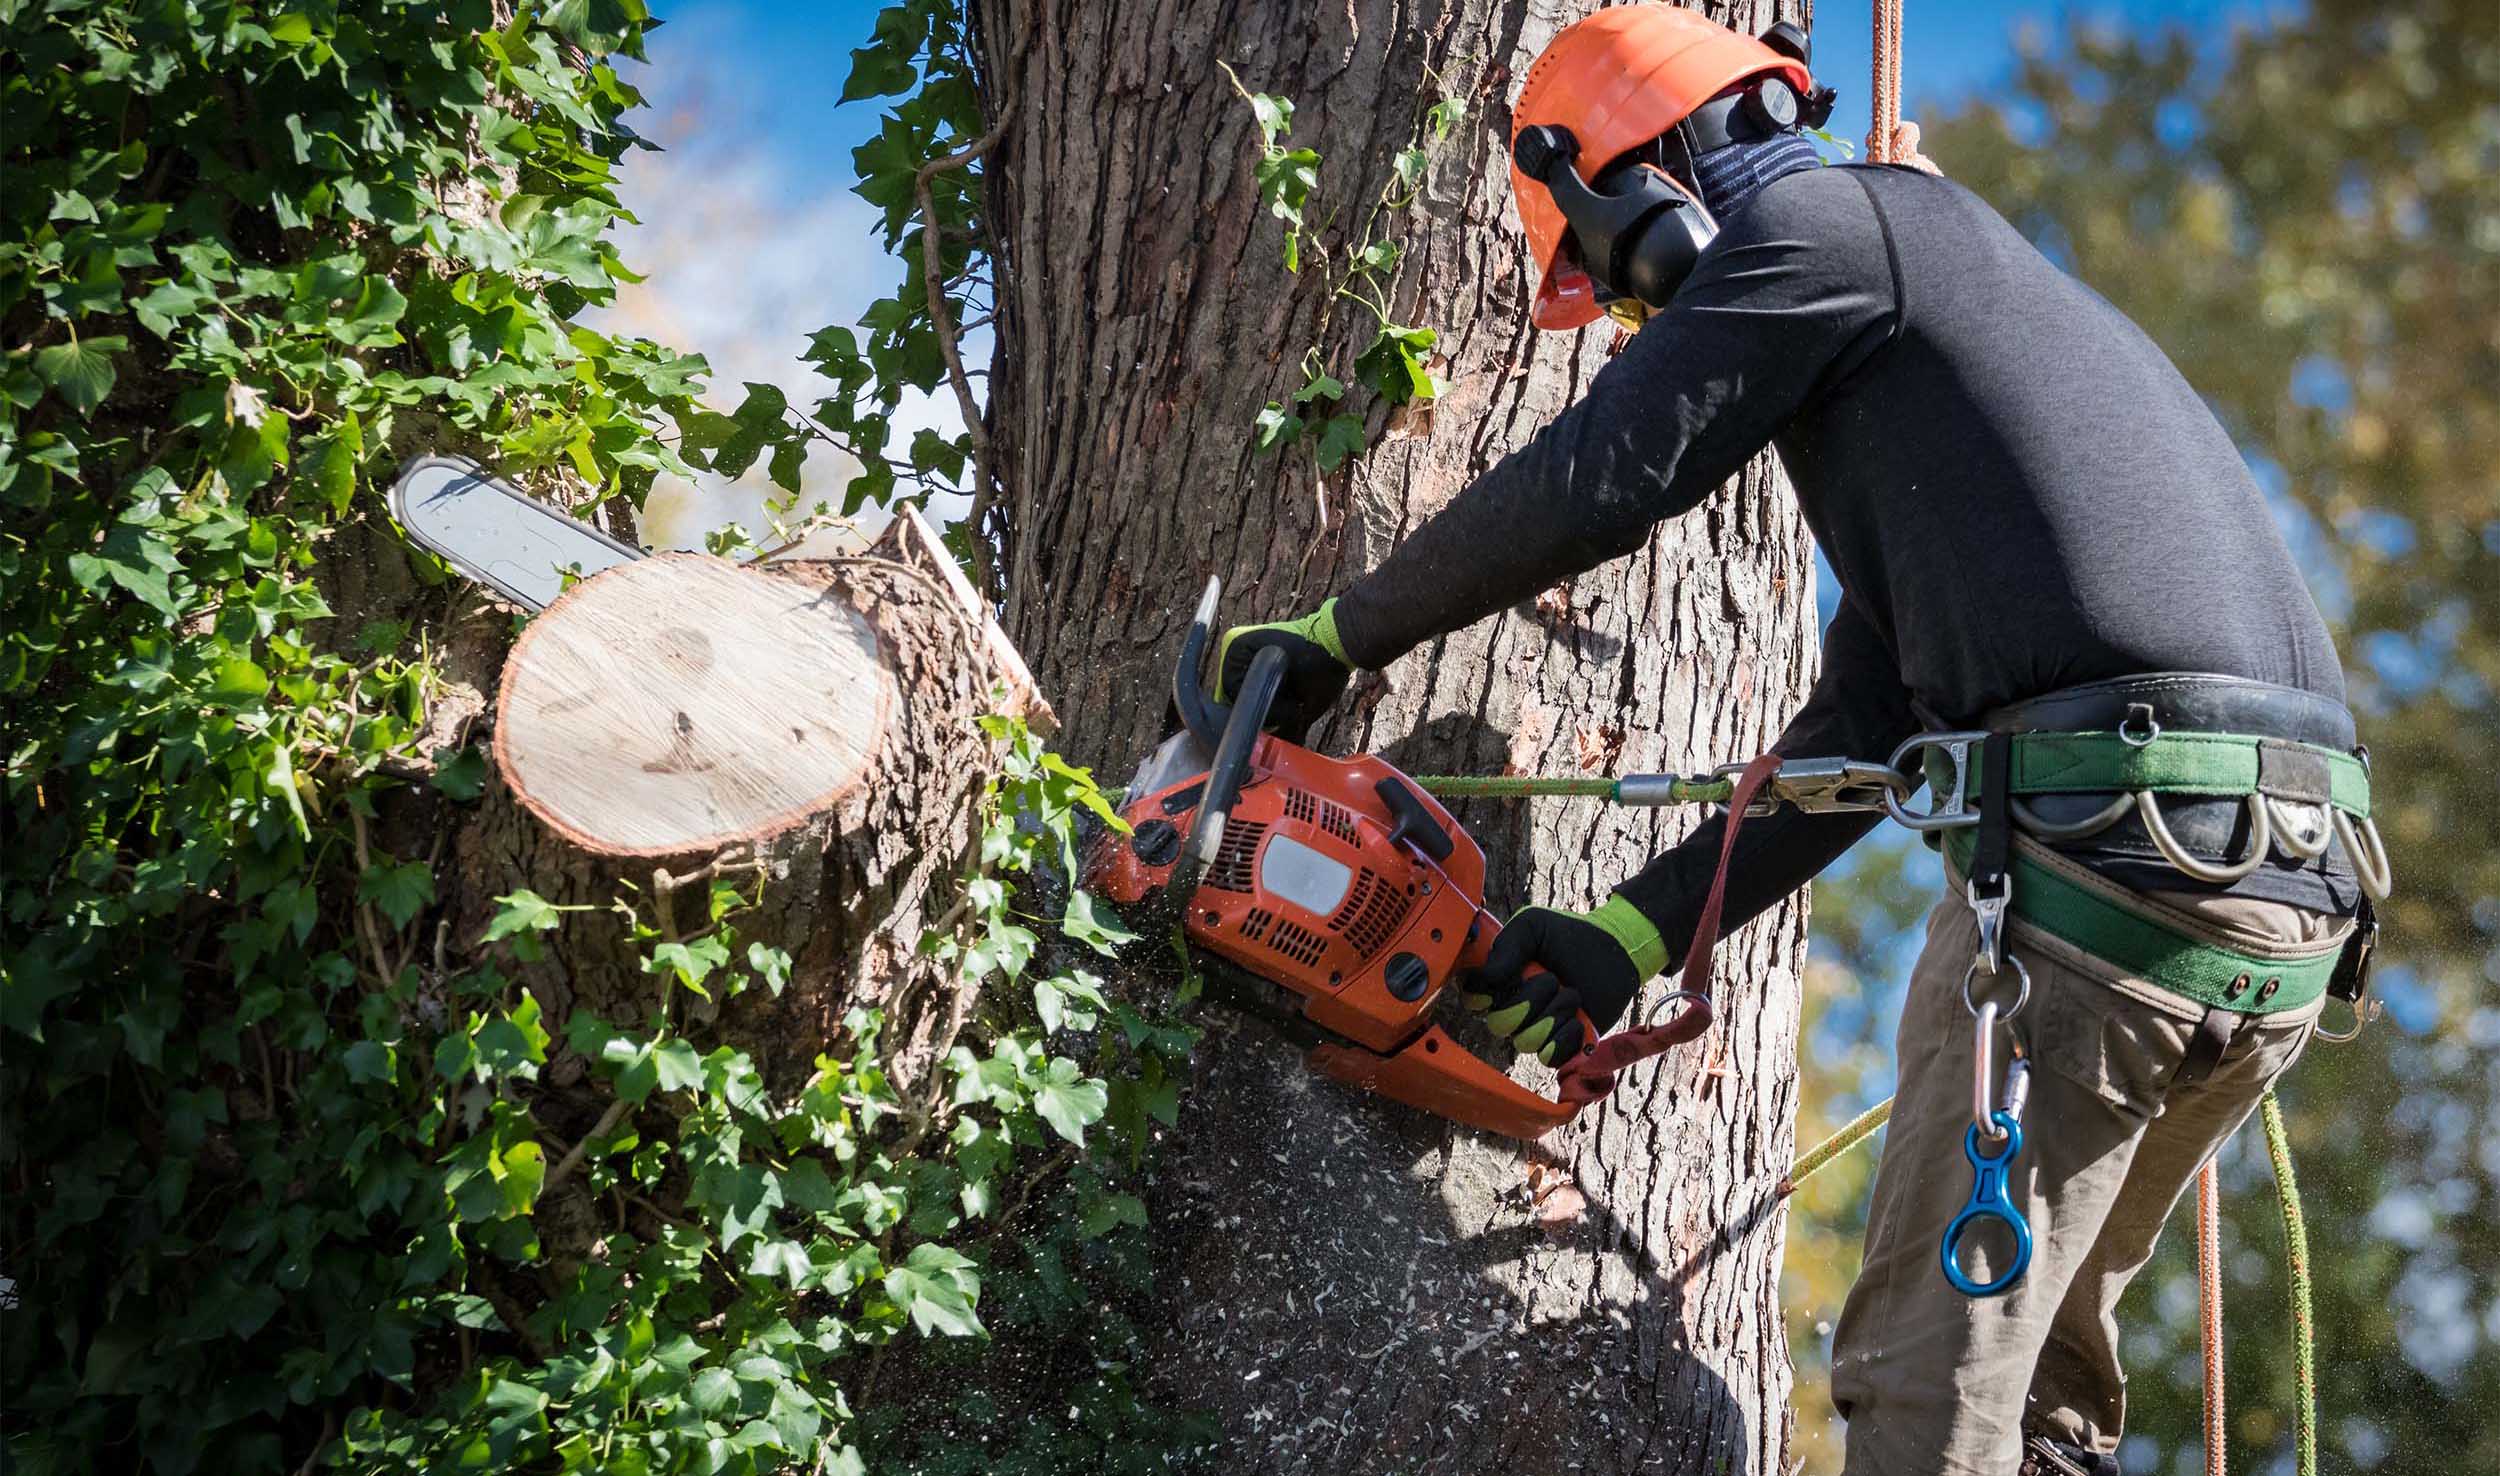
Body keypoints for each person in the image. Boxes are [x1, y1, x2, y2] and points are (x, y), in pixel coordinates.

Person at [1213, 8, 2382, 1475]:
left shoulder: (1832, 231)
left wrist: (1334, 641)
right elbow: (1869, 732)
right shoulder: (1946, 334)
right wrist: (1629, 936)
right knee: (2036, 1425)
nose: (1642, 330)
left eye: (1618, 293)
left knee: (1920, 1404)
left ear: (1641, 198)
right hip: (2277, 903)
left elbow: (1605, 473)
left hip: (2110, 882)